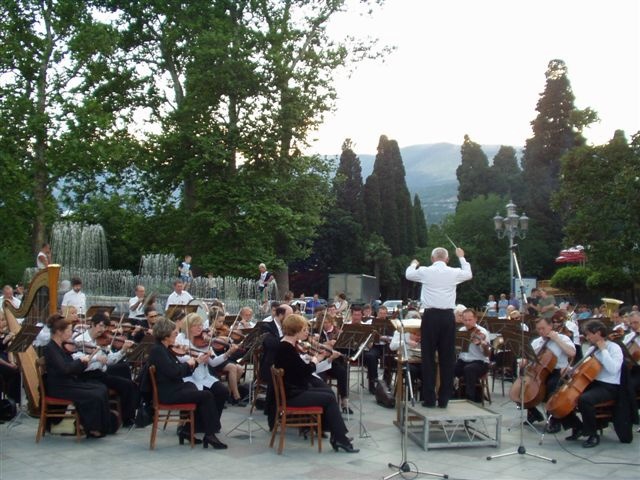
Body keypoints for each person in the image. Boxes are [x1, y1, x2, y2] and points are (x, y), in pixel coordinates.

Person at [273, 314, 358, 453]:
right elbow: (305, 371)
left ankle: (337, 435)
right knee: (329, 397)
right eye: (304, 330)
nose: (307, 332)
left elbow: (299, 370)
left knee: (328, 393)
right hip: (292, 395)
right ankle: (340, 438)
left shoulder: (287, 346)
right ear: (296, 330)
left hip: (294, 389)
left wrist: (315, 359)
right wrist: (315, 359)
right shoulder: (286, 349)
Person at [405, 246, 472, 408]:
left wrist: (414, 263)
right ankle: (444, 399)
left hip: (430, 316)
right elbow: (468, 274)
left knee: (428, 358)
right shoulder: (453, 272)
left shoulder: (426, 271)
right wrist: (462, 257)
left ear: (432, 258)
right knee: (447, 358)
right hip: (448, 317)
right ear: (447, 260)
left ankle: (429, 399)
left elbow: (408, 274)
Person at [148, 318, 227, 449]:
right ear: (165, 335)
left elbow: (176, 370)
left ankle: (186, 430)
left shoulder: (164, 348)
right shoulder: (158, 351)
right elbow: (174, 372)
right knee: (206, 395)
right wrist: (192, 363)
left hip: (172, 387)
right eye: (174, 333)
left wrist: (191, 362)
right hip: (168, 393)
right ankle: (210, 434)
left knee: (195, 389)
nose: (176, 336)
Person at [43, 313, 114, 437]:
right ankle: (91, 428)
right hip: (59, 387)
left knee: (101, 388)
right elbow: (65, 369)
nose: (71, 334)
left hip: (68, 383)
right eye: (69, 331)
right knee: (94, 394)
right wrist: (80, 361)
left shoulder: (60, 347)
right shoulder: (50, 348)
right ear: (59, 332)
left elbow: (70, 366)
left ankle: (100, 426)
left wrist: (84, 361)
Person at [558, 320, 623, 448]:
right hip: (592, 383)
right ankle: (577, 426)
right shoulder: (592, 349)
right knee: (563, 396)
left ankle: (592, 435)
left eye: (588, 334)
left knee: (585, 399)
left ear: (598, 333)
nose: (587, 338)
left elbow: (613, 369)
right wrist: (571, 370)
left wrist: (604, 350)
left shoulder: (614, 348)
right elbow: (583, 367)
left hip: (609, 386)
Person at [73, 311, 139, 427]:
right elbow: (76, 359)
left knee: (129, 384)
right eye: (101, 326)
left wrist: (122, 350)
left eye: (105, 327)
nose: (103, 330)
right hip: (86, 376)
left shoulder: (101, 341)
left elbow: (109, 360)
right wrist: (96, 358)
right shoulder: (80, 340)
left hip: (100, 374)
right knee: (103, 389)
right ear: (93, 324)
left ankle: (127, 419)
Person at [525, 316, 575, 429]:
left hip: (558, 371)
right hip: (539, 371)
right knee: (523, 385)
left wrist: (556, 339)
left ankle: (554, 420)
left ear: (550, 326)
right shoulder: (537, 342)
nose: (541, 331)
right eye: (538, 329)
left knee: (552, 385)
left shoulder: (562, 338)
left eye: (543, 328)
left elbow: (572, 353)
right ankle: (533, 413)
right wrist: (525, 361)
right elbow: (530, 358)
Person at [454, 309, 490, 403]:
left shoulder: (483, 332)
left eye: (470, 320)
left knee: (469, 369)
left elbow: (487, 354)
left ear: (475, 319)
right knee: (449, 368)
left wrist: (482, 345)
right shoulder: (462, 331)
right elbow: (458, 350)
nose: (467, 322)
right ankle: (452, 394)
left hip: (479, 362)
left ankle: (470, 399)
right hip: (463, 361)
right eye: (465, 320)